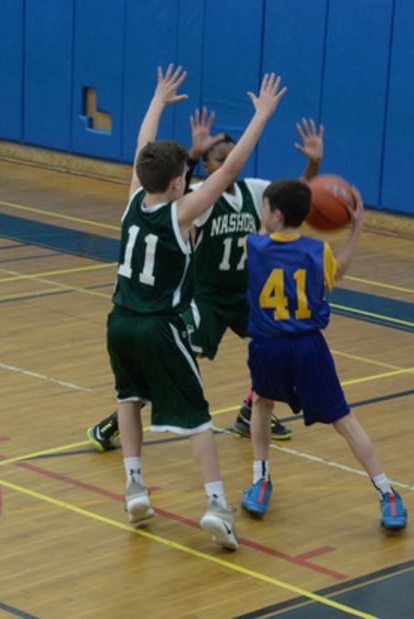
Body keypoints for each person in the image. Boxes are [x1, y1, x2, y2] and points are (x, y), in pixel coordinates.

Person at [108, 64, 286, 549]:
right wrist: (262, 115)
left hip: (118, 320)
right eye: (185, 175)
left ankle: (135, 487)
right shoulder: (181, 211)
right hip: (159, 326)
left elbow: (144, 146)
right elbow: (228, 171)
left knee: (128, 398)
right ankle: (216, 505)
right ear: (177, 182)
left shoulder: (133, 199)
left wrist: (156, 100)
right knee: (199, 419)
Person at [87, 117, 323, 450]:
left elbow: (293, 196)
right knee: (173, 362)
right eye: (218, 160)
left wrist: (313, 164)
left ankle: (249, 410)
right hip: (206, 296)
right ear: (208, 167)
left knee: (281, 347)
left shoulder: (255, 190)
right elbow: (170, 197)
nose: (226, 164)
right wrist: (192, 157)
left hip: (245, 295)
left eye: (230, 157)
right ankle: (117, 419)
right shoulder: (197, 196)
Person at [240, 178, 407, 530]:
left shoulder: (252, 245)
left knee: (262, 404)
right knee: (343, 419)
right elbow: (338, 270)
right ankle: (387, 493)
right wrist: (356, 229)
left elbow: (264, 231)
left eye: (265, 208)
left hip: (268, 347)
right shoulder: (319, 252)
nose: (262, 213)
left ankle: (261, 480)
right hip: (308, 348)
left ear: (275, 214)